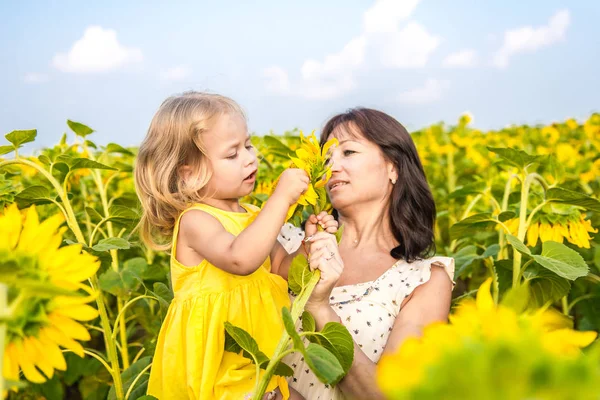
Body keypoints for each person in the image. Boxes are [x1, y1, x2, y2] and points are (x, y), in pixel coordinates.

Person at [134, 91, 336, 399]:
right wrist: (280, 199)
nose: (250, 158)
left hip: (255, 360)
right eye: (232, 154)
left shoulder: (253, 216)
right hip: (216, 367)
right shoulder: (195, 221)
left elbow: (281, 267)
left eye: (249, 145)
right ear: (188, 174)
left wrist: (308, 246)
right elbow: (240, 260)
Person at [285, 108, 455, 399]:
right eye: (326, 159)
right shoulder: (288, 245)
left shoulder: (421, 280)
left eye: (348, 152)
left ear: (394, 167)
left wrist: (319, 307)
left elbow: (389, 395)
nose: (331, 168)